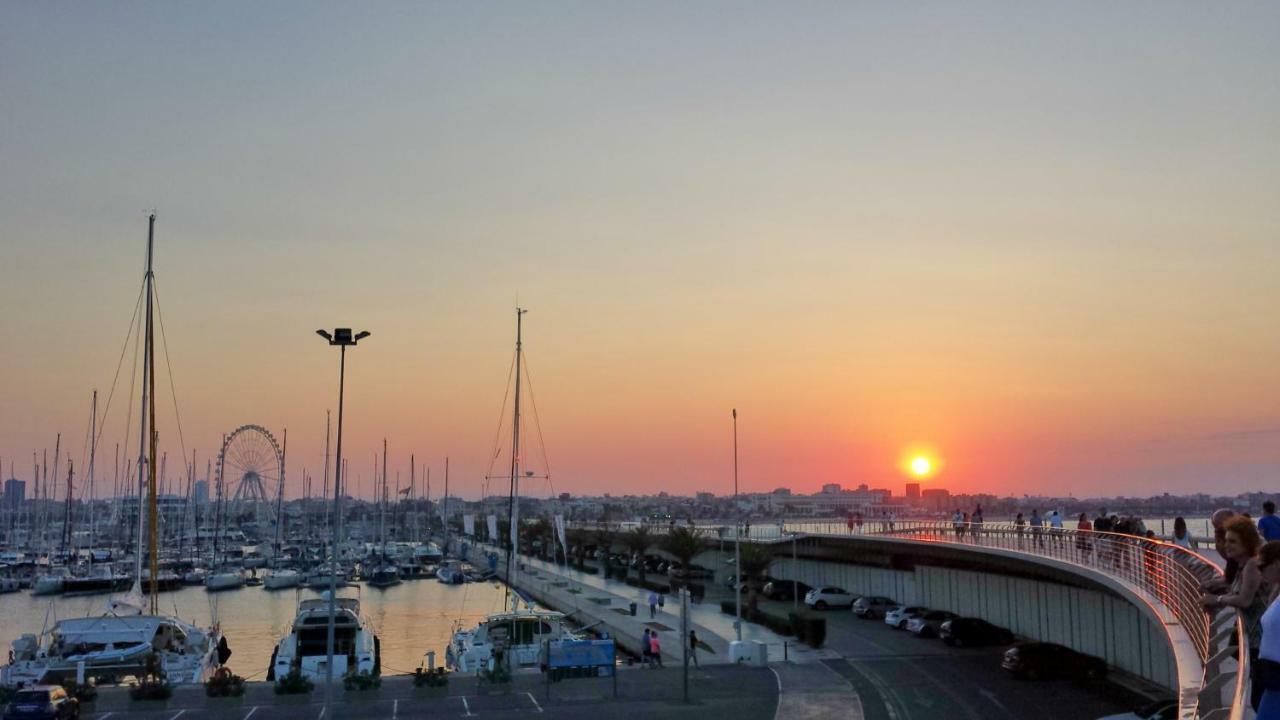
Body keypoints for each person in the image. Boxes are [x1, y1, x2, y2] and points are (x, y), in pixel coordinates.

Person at [1201, 516, 1268, 711]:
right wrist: (1219, 600)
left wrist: (1218, 600)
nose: (1226, 546)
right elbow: (1237, 593)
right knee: (1258, 694)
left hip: (1261, 640)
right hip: (1254, 637)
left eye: (1233, 541)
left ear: (1246, 543)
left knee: (1258, 698)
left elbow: (1245, 600)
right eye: (1226, 540)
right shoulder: (1242, 565)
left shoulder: (1252, 566)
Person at [1251, 541, 1280, 717]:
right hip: (1270, 679)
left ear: (1277, 563)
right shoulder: (1276, 593)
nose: (1260, 573)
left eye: (1262, 567)